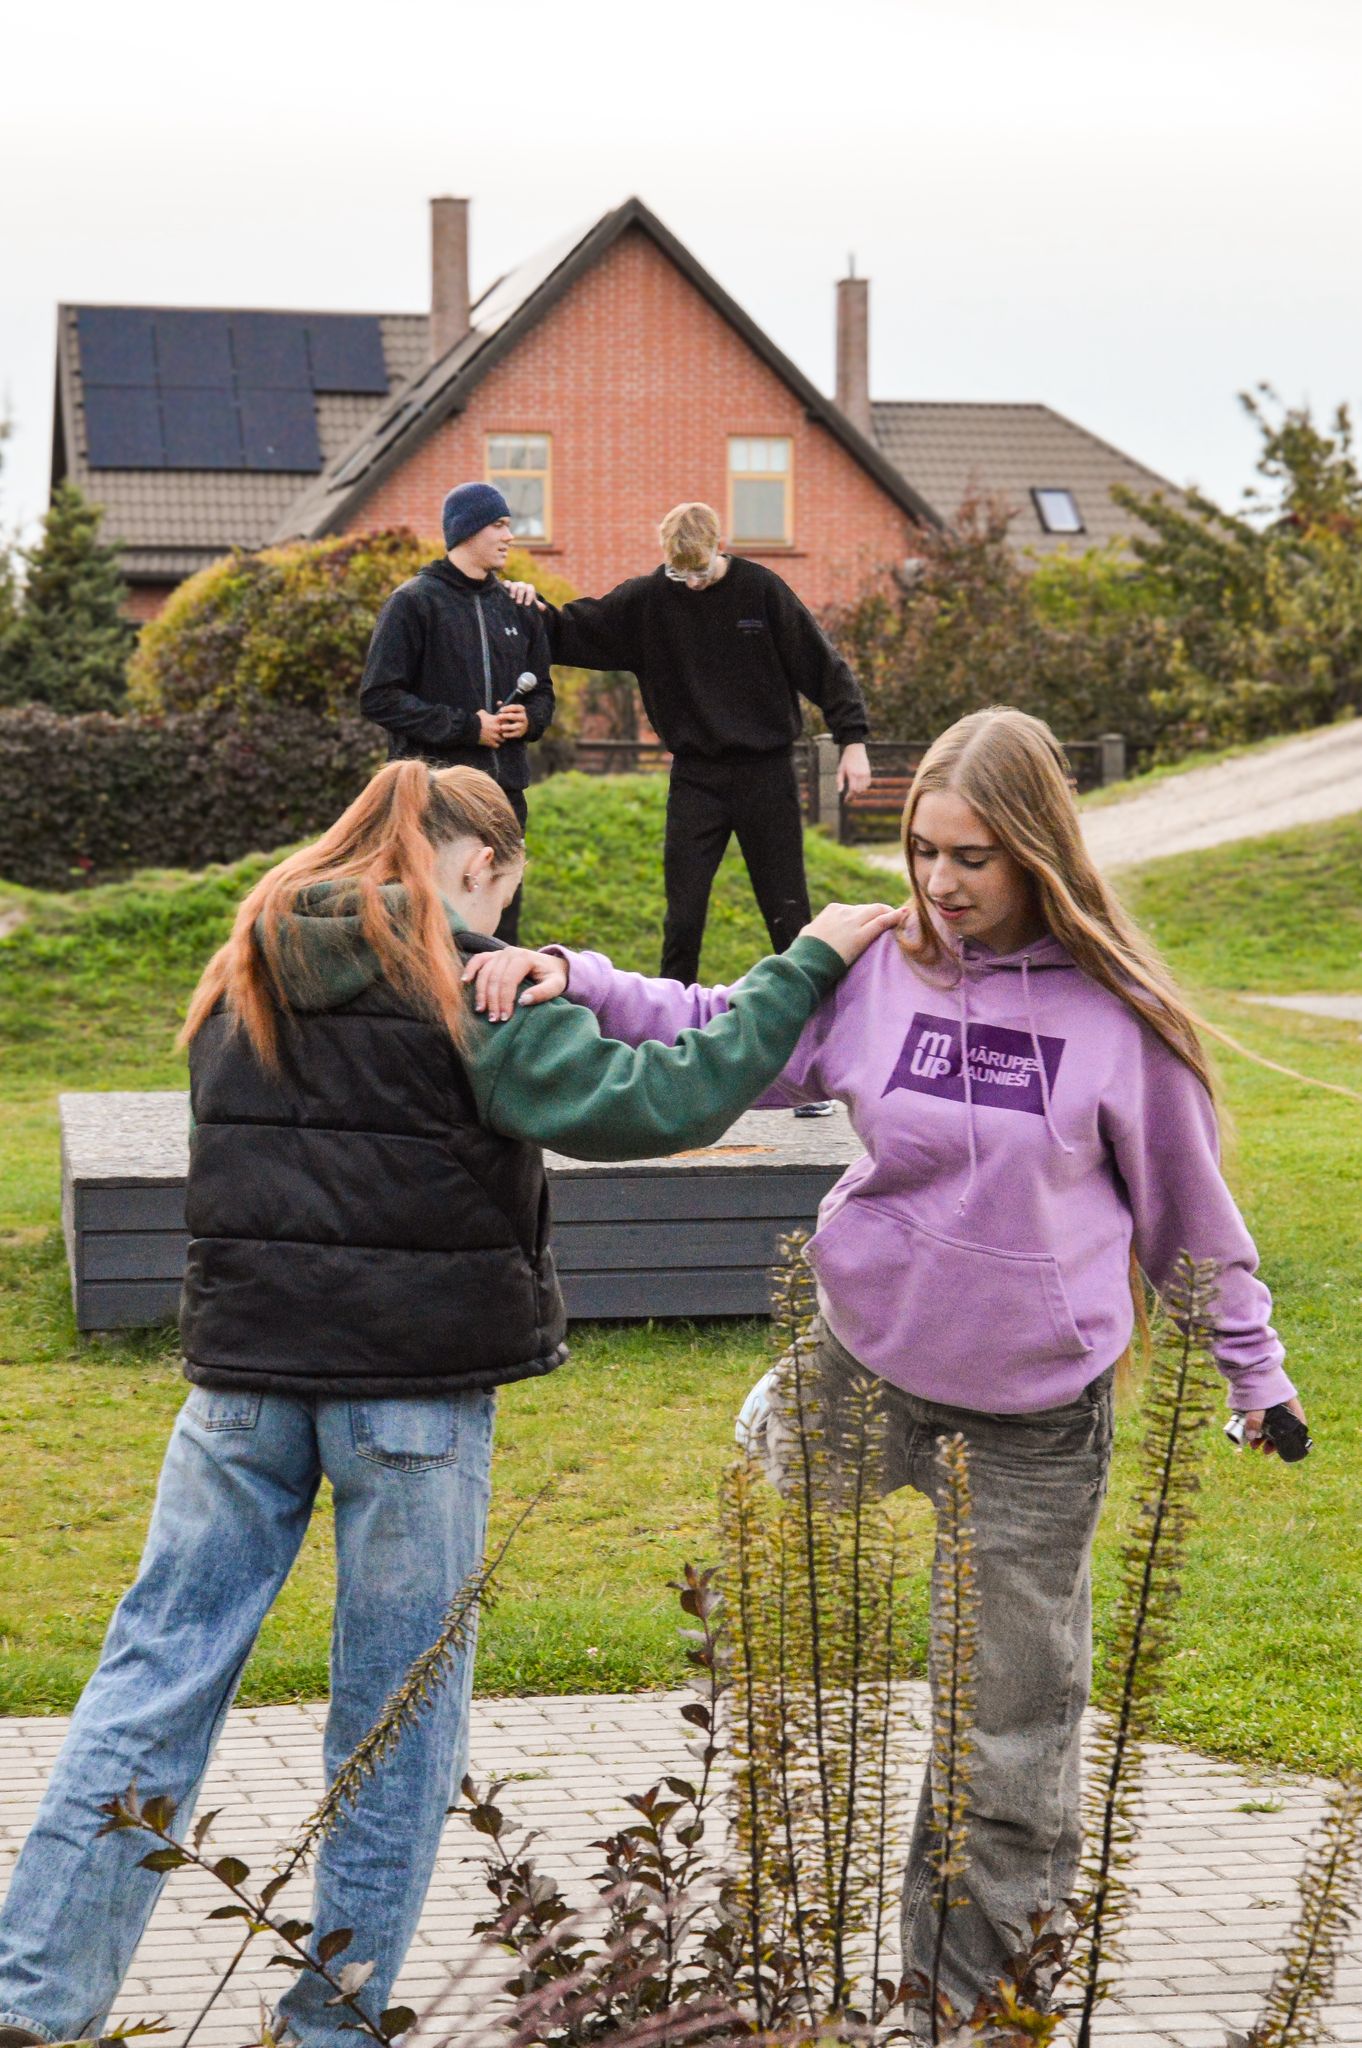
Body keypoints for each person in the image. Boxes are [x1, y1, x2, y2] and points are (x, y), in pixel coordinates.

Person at [0, 762, 900, 2048]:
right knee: (394, 1718)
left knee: (153, 1672)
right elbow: (670, 1098)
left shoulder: (247, 956)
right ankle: (332, 2023)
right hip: (409, 1402)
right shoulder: (462, 984)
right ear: (476, 862)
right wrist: (802, 961)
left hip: (238, 1388)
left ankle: (32, 1998)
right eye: (499, 895)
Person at [465, 705, 1310, 2028]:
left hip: (1031, 1417)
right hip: (862, 1360)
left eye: (971, 856)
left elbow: (1193, 1228)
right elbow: (721, 1023)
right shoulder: (879, 966)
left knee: (1003, 1748)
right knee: (782, 1628)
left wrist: (1253, 1380)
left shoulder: (1116, 1025)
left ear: (1037, 851)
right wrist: (574, 972)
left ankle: (959, 2011)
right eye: (923, 849)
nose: (938, 882)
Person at [506, 501, 872, 1020]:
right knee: (683, 915)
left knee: (787, 909)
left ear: (719, 548)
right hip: (696, 776)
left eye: (699, 571)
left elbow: (822, 666)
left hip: (765, 771)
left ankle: (808, 1033)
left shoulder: (761, 591)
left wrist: (852, 739)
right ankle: (668, 1029)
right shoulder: (650, 600)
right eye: (680, 572)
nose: (692, 583)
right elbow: (572, 630)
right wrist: (529, 607)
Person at [359, 481, 555, 942]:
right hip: (435, 798)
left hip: (505, 797)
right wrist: (467, 728)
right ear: (466, 530)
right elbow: (379, 697)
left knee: (501, 930)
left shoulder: (518, 606)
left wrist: (530, 720)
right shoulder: (412, 603)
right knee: (430, 926)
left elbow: (543, 691)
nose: (510, 536)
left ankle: (496, 1012)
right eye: (499, 525)